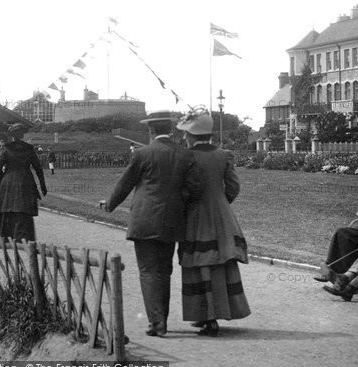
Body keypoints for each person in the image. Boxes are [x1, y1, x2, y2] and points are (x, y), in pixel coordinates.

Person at [100, 110, 203, 338]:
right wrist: (177, 200)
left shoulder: (142, 154)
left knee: (148, 272)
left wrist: (108, 205)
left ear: (151, 130)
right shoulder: (185, 155)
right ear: (170, 129)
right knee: (164, 271)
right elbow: (195, 190)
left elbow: (124, 185)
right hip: (172, 221)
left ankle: (157, 323)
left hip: (144, 221)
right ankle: (160, 319)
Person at [176, 107, 250, 337]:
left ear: (191, 136)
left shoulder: (187, 157)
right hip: (223, 216)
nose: (184, 137)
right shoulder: (223, 155)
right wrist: (220, 203)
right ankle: (218, 313)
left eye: (186, 134)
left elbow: (187, 190)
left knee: (200, 263)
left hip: (197, 217)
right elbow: (234, 187)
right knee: (221, 263)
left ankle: (206, 318)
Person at [0, 123, 47, 242]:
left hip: (9, 179)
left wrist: (3, 179)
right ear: (22, 135)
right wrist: (42, 185)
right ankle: (23, 236)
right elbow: (38, 168)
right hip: (26, 179)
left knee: (7, 206)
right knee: (23, 207)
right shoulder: (29, 148)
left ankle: (5, 235)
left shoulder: (6, 148)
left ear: (11, 135)